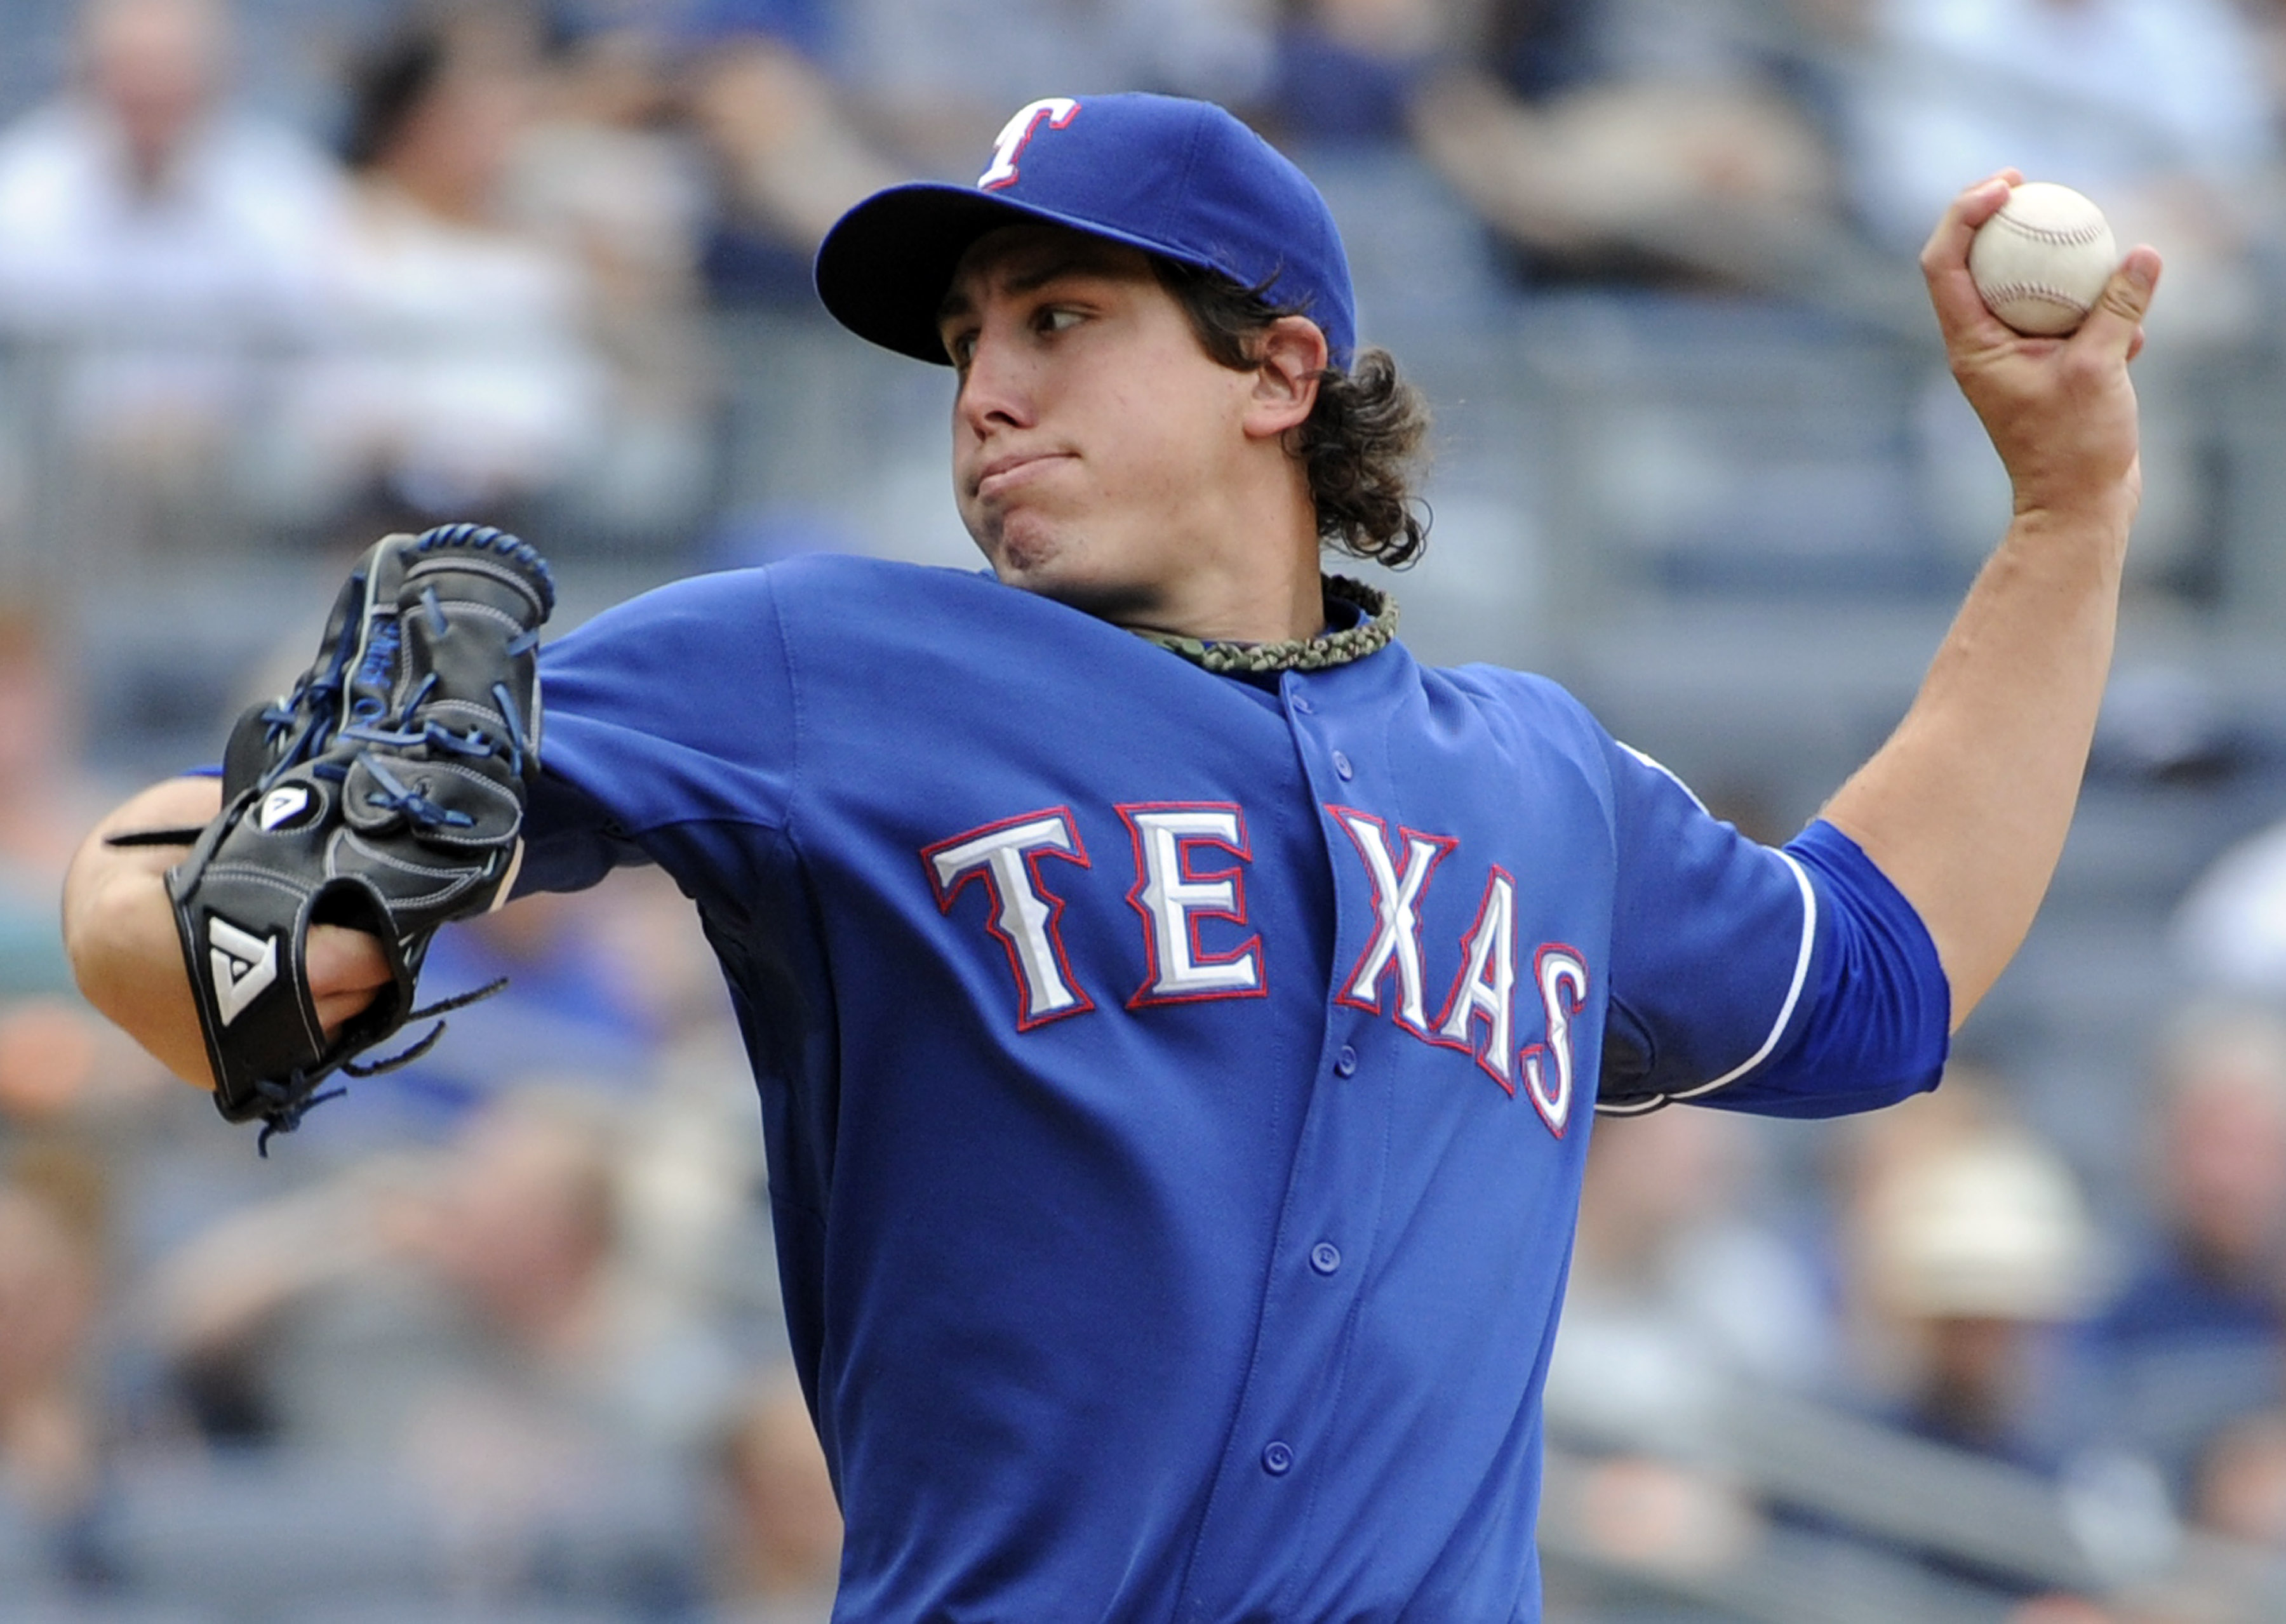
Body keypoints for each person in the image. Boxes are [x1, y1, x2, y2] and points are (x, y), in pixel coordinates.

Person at [62, 91, 2157, 1619]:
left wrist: (2067, 518)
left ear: (1280, 368)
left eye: (1057, 317)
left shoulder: (1536, 777)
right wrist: (169, 895)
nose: (983, 389)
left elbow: (1879, 981)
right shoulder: (819, 659)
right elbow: (219, 934)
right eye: (967, 340)